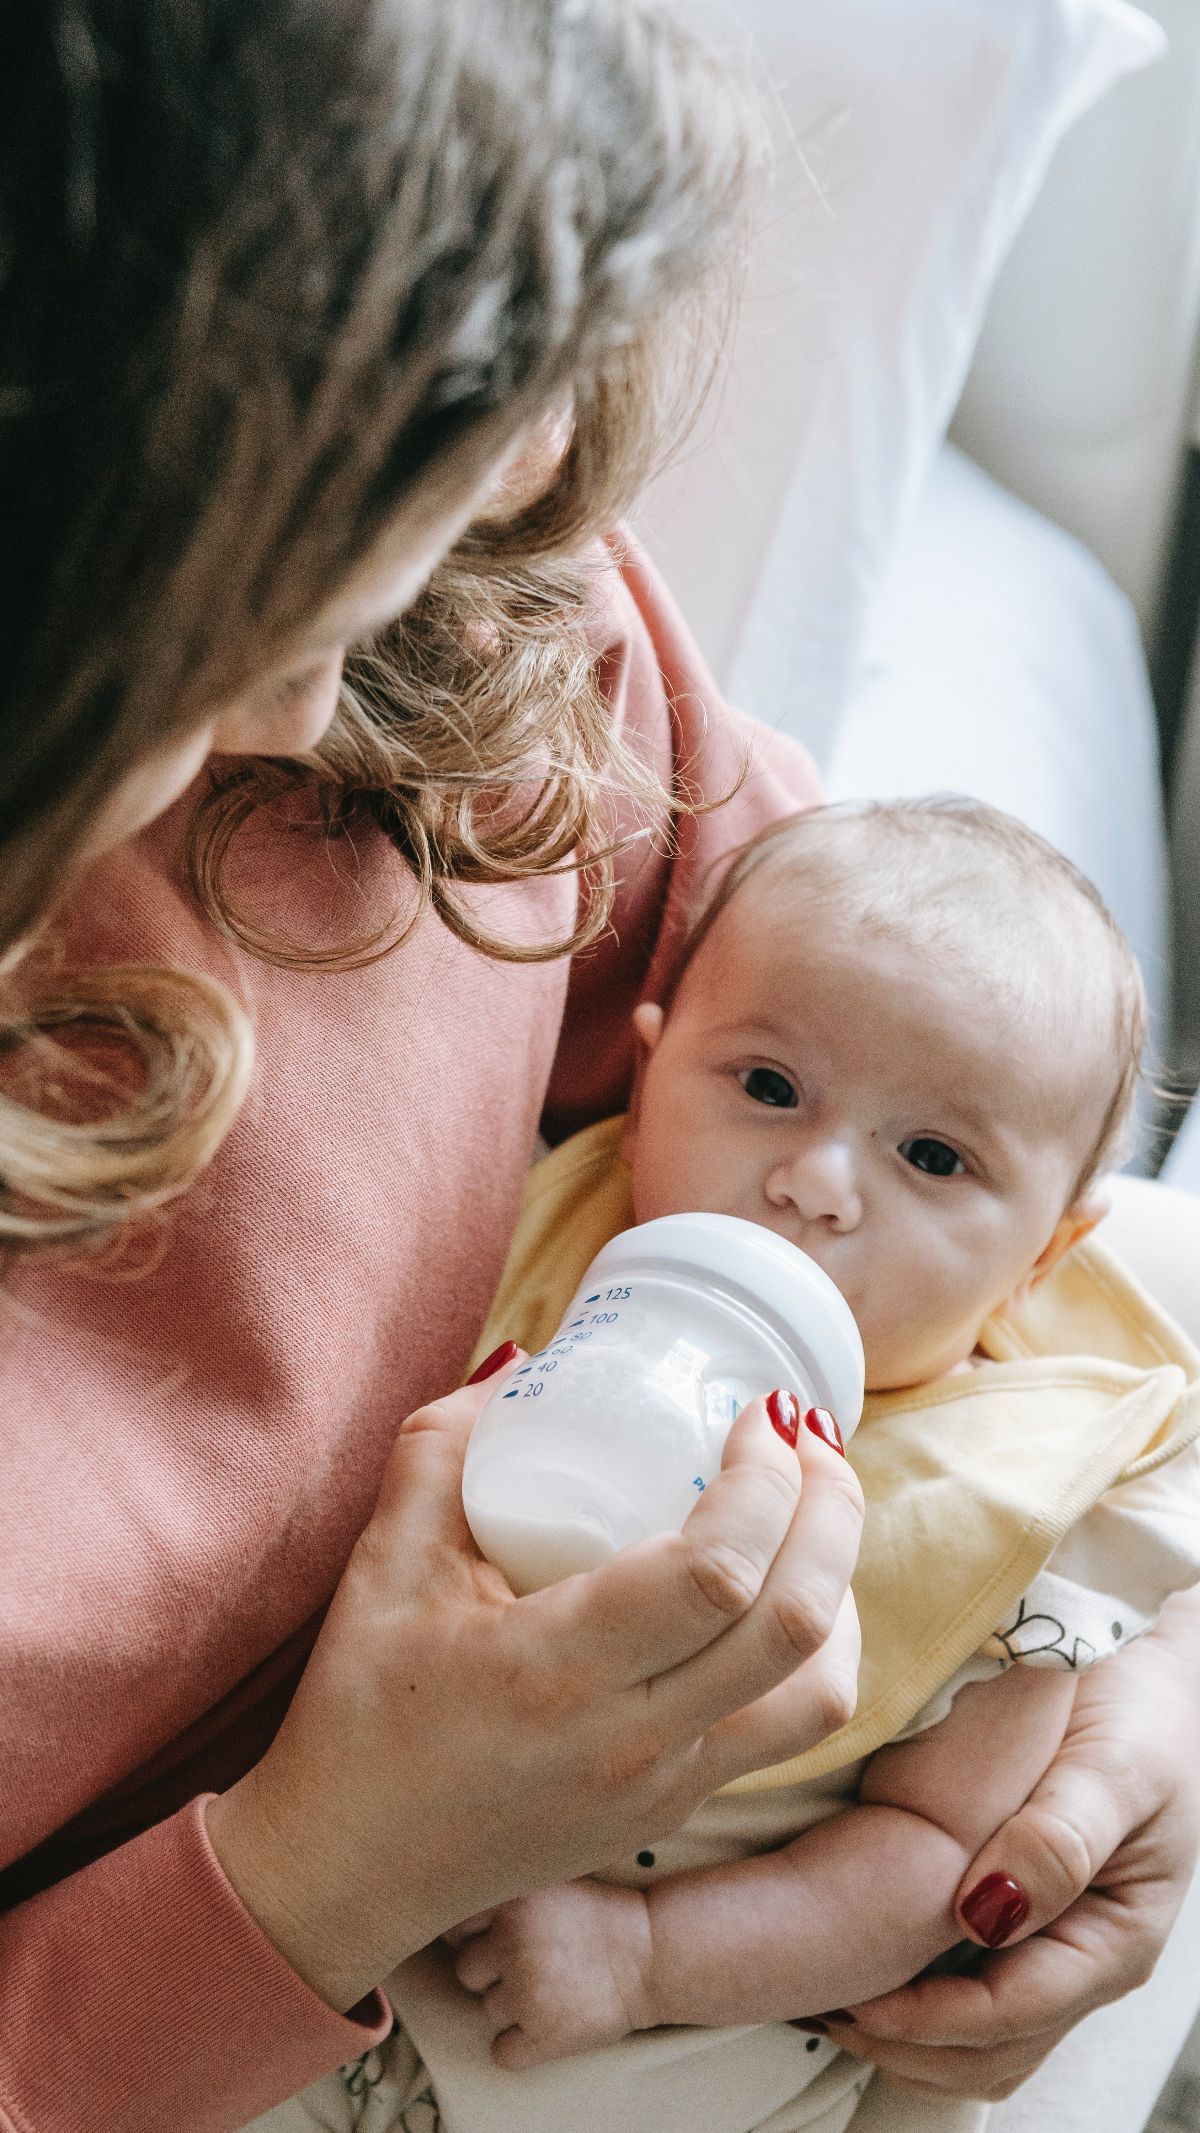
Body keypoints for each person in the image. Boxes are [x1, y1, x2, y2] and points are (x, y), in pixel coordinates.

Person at [0, 6, 1197, 2133]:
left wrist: (1135, 1693)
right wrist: (321, 1868)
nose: (329, 681)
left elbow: (937, 1077)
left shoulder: (464, 625)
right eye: (266, 570)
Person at [373, 797, 1197, 2133]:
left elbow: (933, 1859)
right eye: (766, 1087)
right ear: (643, 1088)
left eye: (933, 1154)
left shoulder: (997, 1499)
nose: (815, 1180)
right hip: (340, 1954)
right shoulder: (517, 1234)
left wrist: (650, 1955)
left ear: (1041, 1258)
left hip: (648, 2051)